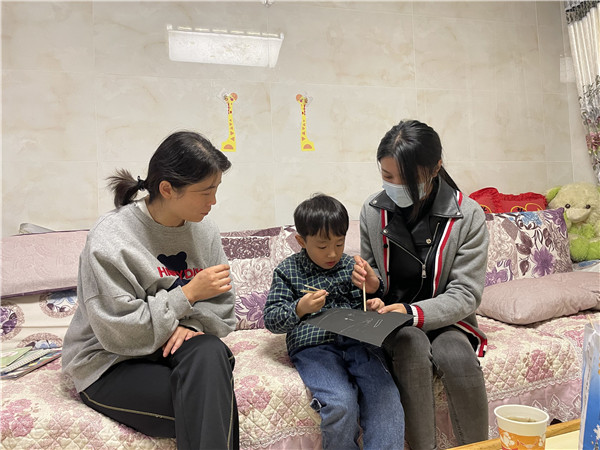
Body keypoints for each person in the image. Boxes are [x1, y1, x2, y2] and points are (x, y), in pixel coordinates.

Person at [62, 131, 239, 450]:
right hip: (110, 361)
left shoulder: (205, 230)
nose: (213, 201)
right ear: (167, 189)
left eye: (216, 189)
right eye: (205, 191)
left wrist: (191, 324)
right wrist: (187, 296)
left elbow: (223, 306)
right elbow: (118, 331)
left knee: (211, 352)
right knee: (211, 406)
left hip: (174, 349)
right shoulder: (111, 237)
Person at [351, 120, 489, 450]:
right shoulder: (373, 212)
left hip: (448, 320)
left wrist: (411, 312)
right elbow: (374, 278)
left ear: (435, 167)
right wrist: (372, 283)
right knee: (411, 343)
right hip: (393, 323)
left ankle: (479, 446)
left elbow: (466, 293)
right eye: (387, 176)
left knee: (456, 354)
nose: (395, 185)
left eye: (406, 179)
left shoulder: (468, 216)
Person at [263, 194, 405, 450]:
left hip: (359, 342)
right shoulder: (287, 271)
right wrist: (300, 308)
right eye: (322, 246)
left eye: (339, 244)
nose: (332, 253)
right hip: (314, 348)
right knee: (340, 403)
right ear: (301, 241)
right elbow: (272, 319)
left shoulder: (351, 266)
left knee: (386, 397)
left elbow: (370, 300)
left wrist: (373, 300)